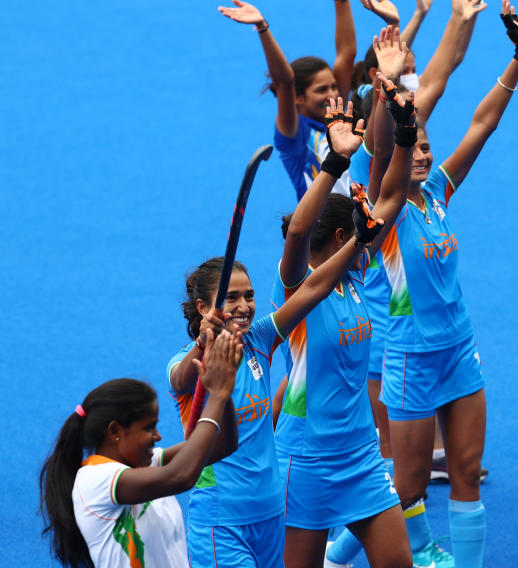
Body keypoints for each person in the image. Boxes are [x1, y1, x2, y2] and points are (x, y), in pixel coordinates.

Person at [168, 135, 385, 567]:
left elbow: (317, 285)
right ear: (203, 308)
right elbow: (182, 379)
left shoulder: (263, 339)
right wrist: (202, 344)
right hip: (220, 518)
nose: (245, 305)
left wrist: (358, 241)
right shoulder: (188, 360)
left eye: (248, 295)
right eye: (231, 298)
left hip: (271, 512)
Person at [376, 0, 518, 568]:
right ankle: (337, 553)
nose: (421, 154)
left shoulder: (438, 192)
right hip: (412, 357)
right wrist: (390, 91)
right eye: (411, 147)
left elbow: (484, 124)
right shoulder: (384, 211)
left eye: (425, 147)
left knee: (466, 473)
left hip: (459, 350)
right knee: (407, 488)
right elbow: (377, 149)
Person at [273, 85, 415, 568]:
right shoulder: (294, 288)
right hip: (306, 459)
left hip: (361, 454)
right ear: (341, 236)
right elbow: (296, 231)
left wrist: (406, 132)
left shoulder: (354, 273)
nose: (370, 230)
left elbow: (393, 195)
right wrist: (333, 162)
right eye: (360, 227)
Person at [40, 330, 242, 568]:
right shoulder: (95, 481)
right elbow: (181, 476)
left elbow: (223, 445)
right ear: (115, 432)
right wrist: (217, 395)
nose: (158, 436)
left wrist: (224, 391)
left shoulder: (145, 464)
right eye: (149, 428)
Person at [218, 0, 357, 199]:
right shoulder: (295, 136)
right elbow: (284, 81)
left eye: (334, 86)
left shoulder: (340, 119)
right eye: (321, 89)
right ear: (298, 98)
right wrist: (262, 27)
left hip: (365, 227)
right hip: (324, 234)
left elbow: (346, 54)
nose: (333, 93)